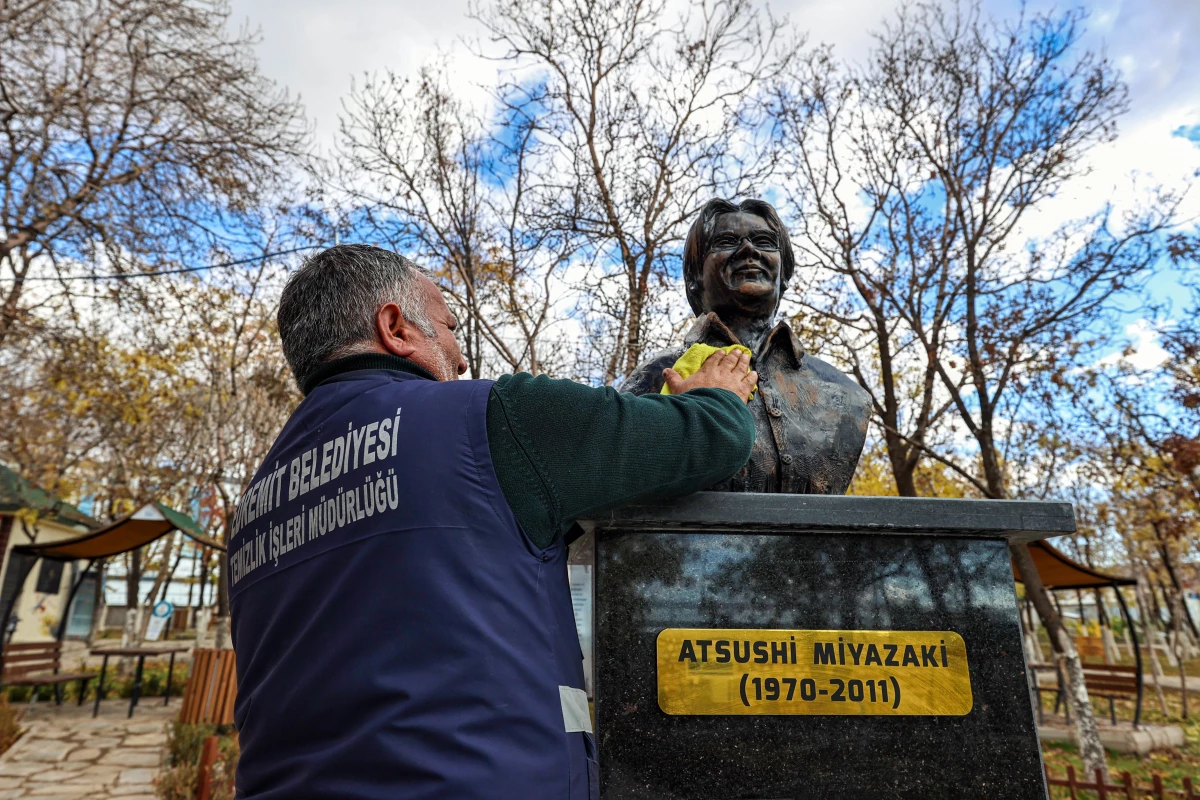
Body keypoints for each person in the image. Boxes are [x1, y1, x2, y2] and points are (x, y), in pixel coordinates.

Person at [228, 244, 757, 799]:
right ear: (395, 327)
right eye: (449, 327)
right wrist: (718, 397)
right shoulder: (490, 419)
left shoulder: (255, 505)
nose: (460, 360)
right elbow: (710, 439)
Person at [623, 198, 871, 495]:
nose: (748, 250)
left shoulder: (844, 394)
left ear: (785, 273)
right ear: (695, 278)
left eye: (764, 241)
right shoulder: (654, 378)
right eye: (726, 241)